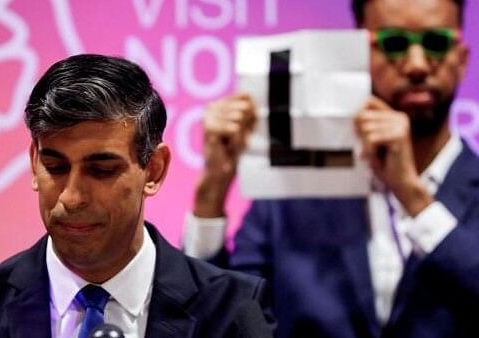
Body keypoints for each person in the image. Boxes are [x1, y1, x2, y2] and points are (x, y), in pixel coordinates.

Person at [184, 0, 479, 337]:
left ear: (462, 59)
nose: (415, 65)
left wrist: (414, 198)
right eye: (393, 43)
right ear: (357, 55)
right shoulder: (291, 187)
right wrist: (211, 193)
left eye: (436, 42)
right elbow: (220, 321)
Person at [0, 54, 274, 338]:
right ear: (34, 163)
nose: (72, 197)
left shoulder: (233, 313)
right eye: (55, 167)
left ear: (153, 170)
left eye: (101, 170)